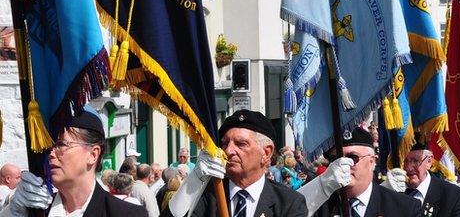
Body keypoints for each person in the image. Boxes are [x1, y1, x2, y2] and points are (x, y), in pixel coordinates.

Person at [0, 105, 148, 216]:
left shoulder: (126, 214)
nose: (50, 154)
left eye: (61, 144)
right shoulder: (36, 211)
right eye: (48, 146)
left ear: (93, 154)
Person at [165, 109, 307, 216]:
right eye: (225, 143)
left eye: (240, 144)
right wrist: (195, 179)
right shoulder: (208, 196)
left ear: (266, 152)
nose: (228, 151)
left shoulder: (289, 203)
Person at [301, 127, 420, 217]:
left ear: (372, 162)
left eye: (352, 157)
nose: (343, 164)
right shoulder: (319, 206)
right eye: (335, 158)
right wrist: (322, 186)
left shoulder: (404, 208)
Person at [400, 140, 460, 216]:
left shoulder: (453, 196)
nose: (408, 168)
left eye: (415, 161)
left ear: (429, 162)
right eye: (404, 161)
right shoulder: (392, 191)